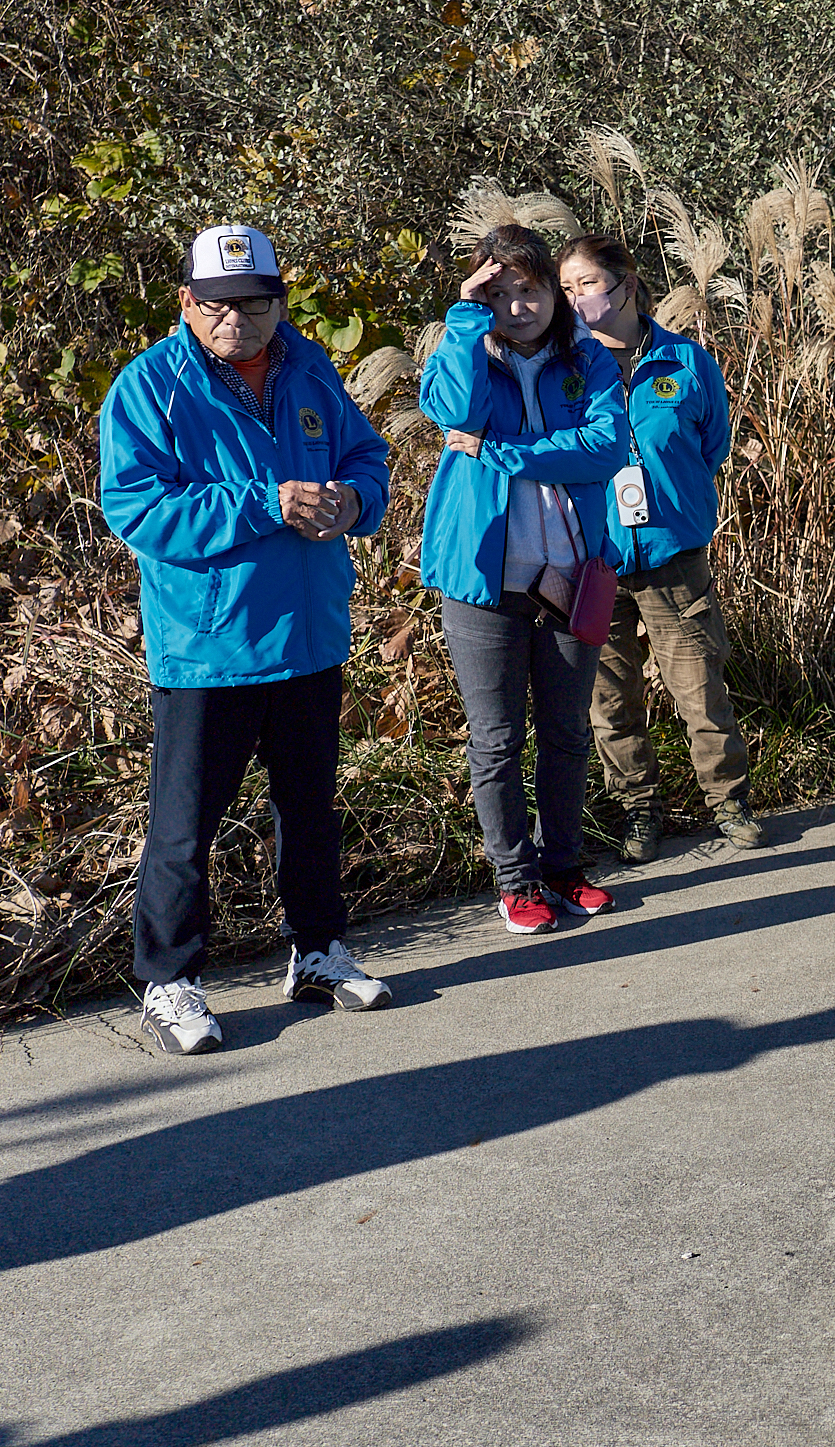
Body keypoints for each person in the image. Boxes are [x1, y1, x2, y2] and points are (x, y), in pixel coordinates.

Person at [99, 223, 397, 1054]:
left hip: (309, 635)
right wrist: (267, 503)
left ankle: (318, 951)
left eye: (256, 301)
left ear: (279, 300)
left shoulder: (309, 367)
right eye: (221, 304)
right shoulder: (148, 388)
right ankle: (170, 981)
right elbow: (138, 510)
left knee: (309, 808)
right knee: (184, 824)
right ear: (188, 304)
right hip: (207, 645)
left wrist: (352, 503)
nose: (240, 318)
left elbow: (369, 459)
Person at [420, 223, 630, 935]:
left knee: (568, 731)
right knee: (498, 738)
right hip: (483, 577)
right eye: (499, 292)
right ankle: (517, 881)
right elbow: (451, 412)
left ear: (552, 292)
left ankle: (566, 868)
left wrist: (505, 453)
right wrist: (462, 314)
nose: (518, 306)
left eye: (530, 289)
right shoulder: (469, 354)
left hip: (571, 574)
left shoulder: (589, 363)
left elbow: (605, 448)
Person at [556, 232, 763, 862]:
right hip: (591, 558)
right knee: (610, 698)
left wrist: (675, 501)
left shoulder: (686, 362)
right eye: (565, 289)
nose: (575, 298)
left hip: (673, 552)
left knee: (700, 686)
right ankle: (639, 812)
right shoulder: (564, 368)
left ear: (626, 282)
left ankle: (729, 804)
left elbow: (712, 446)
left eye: (586, 284)